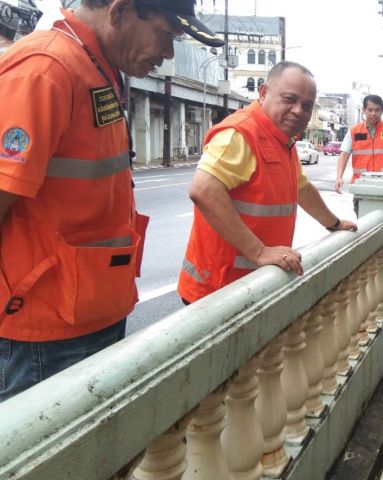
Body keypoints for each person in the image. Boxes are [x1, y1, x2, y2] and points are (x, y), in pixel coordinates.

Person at [0, 0, 224, 402]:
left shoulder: (98, 68)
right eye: (165, 35)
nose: (169, 53)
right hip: (43, 332)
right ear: (119, 12)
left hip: (91, 311)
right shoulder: (45, 69)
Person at [177, 61, 357, 304]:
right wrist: (259, 252)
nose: (298, 111)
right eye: (289, 99)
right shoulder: (241, 133)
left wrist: (334, 223)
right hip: (218, 290)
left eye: (306, 105)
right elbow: (203, 190)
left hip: (251, 285)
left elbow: (301, 188)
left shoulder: (282, 141)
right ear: (263, 94)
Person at [334, 95, 383, 211]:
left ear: (382, 110)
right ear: (364, 110)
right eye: (370, 110)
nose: (373, 113)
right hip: (361, 187)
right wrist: (339, 177)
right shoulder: (354, 132)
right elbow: (344, 155)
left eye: (377, 110)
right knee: (363, 223)